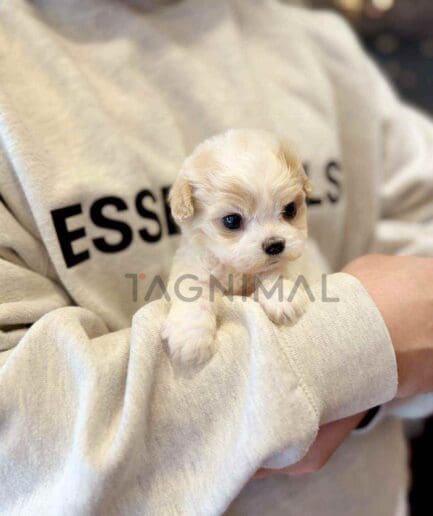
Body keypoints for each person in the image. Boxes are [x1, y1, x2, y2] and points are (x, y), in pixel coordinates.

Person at [0, 0, 432, 514]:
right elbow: (19, 437)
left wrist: (377, 385)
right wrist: (355, 352)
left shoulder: (322, 43)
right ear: (189, 211)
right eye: (232, 222)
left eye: (289, 210)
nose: (271, 239)